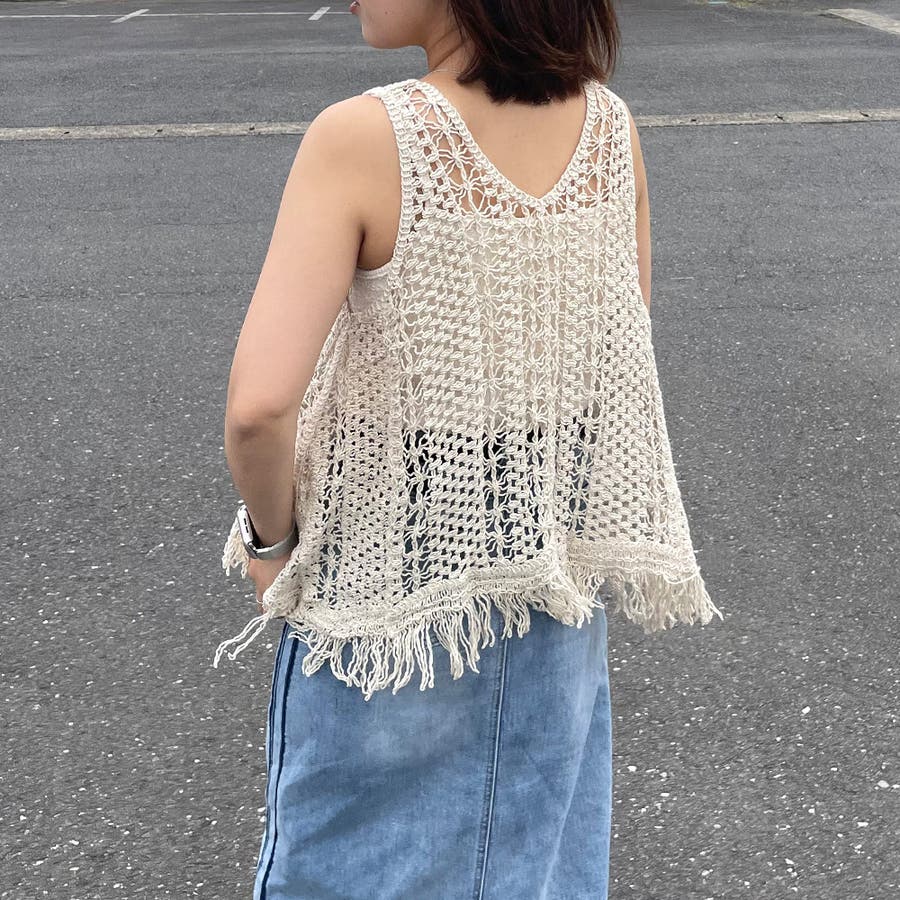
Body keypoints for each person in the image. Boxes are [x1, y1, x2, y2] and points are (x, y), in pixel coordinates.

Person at [212, 0, 724, 896]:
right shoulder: (610, 127)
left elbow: (259, 409)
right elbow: (611, 350)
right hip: (548, 573)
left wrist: (271, 543)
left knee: (355, 864)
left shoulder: (364, 137)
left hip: (392, 583)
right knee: (531, 860)